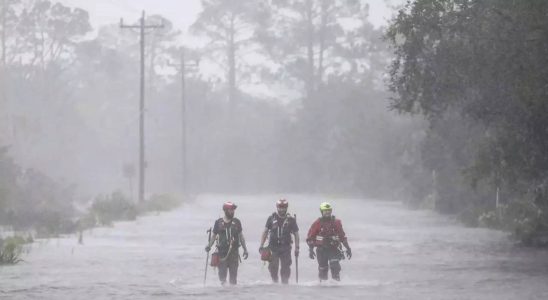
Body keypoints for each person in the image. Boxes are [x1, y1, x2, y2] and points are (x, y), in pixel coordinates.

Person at [205, 201, 249, 285]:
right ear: (225, 210)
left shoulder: (237, 222)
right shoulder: (218, 222)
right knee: (222, 279)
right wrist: (209, 246)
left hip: (234, 254)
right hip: (221, 254)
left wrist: (245, 250)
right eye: (230, 209)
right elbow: (214, 236)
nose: (232, 211)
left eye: (233, 209)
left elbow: (241, 236)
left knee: (233, 279)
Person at [306, 202, 352, 281]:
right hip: (321, 250)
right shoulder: (317, 223)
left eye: (329, 210)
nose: (327, 212)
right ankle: (323, 288)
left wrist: (348, 248)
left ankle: (336, 286)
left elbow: (342, 237)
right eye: (325, 210)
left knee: (335, 267)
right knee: (323, 270)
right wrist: (310, 250)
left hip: (334, 249)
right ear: (322, 211)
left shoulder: (336, 223)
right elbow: (310, 238)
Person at [259, 198, 300, 284]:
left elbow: (296, 234)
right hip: (273, 247)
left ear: (286, 208)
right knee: (273, 267)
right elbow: (265, 232)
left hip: (286, 248)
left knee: (285, 268)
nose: (282, 209)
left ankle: (285, 284)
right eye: (280, 207)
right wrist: (261, 245)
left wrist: (297, 248)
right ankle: (275, 282)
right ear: (277, 207)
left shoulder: (291, 220)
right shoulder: (271, 219)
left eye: (284, 207)